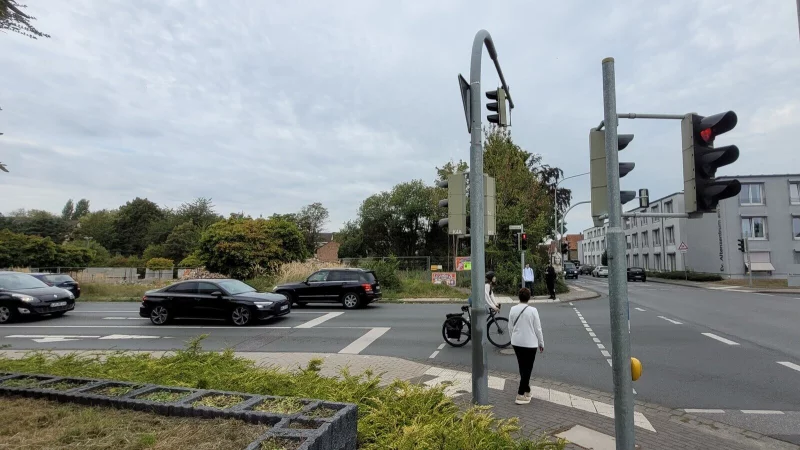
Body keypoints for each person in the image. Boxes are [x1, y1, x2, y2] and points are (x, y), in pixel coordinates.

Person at [508, 288, 544, 405]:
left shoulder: (513, 309)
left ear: (519, 297)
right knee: (528, 368)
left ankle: (527, 390)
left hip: (516, 342)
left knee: (522, 367)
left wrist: (513, 338)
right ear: (529, 297)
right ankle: (520, 394)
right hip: (530, 343)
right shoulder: (533, 310)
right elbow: (538, 328)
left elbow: (510, 327)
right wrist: (541, 342)